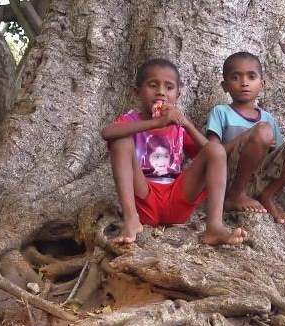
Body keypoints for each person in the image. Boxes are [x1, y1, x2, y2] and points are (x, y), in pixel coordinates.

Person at [101, 58, 247, 245]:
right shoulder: (131, 121)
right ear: (136, 92)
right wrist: (156, 123)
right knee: (120, 141)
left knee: (216, 150)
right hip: (144, 198)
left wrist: (186, 124)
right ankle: (131, 220)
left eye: (169, 87)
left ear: (178, 94)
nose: (161, 92)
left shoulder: (178, 126)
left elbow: (211, 153)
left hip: (177, 200)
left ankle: (214, 227)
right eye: (152, 85)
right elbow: (107, 133)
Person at [206, 51, 285, 223]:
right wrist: (248, 137)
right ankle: (236, 195)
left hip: (261, 179)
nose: (244, 83)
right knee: (262, 131)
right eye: (236, 77)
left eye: (251, 76)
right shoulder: (221, 112)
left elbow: (279, 155)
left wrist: (266, 145)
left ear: (262, 84)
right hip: (229, 179)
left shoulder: (267, 118)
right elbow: (211, 153)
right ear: (225, 86)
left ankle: (267, 196)